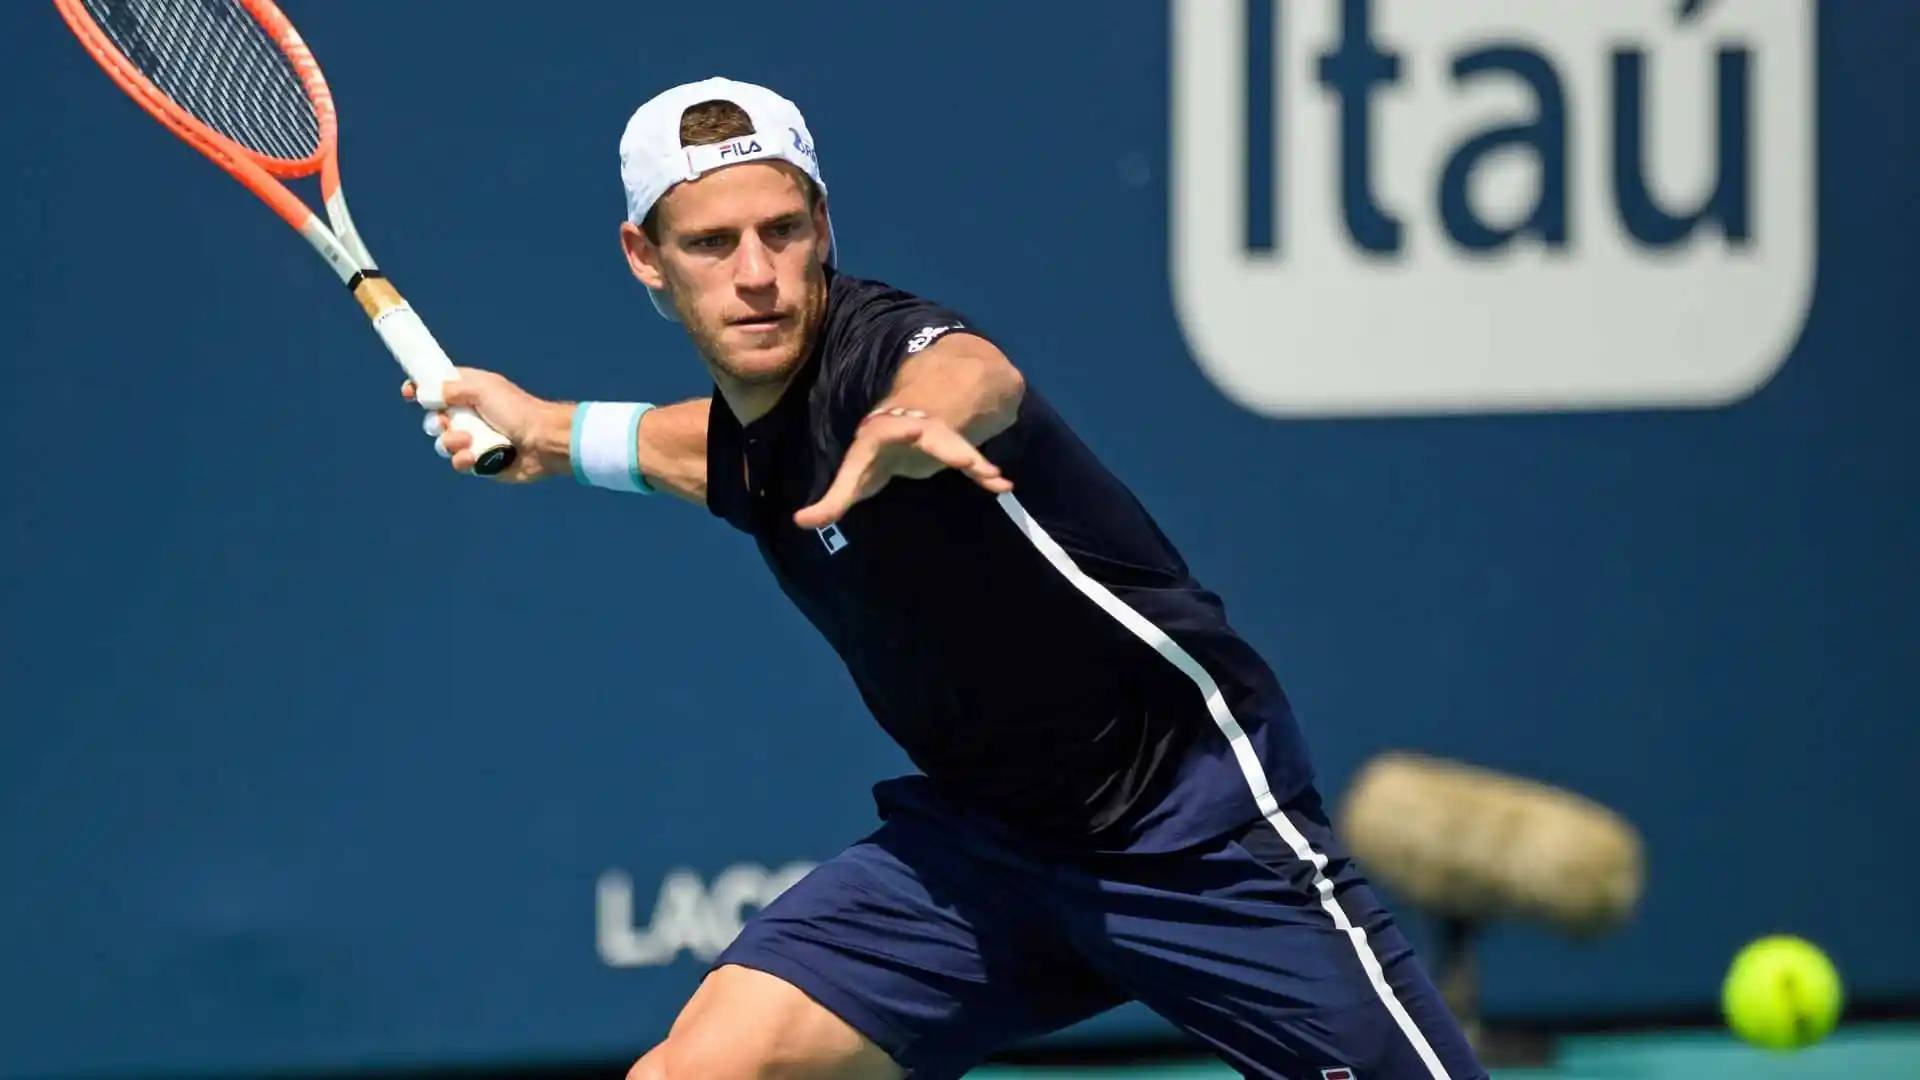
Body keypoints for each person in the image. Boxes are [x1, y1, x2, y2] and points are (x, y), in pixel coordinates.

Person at [408, 76, 1487, 1080]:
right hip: (984, 854)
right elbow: (713, 459)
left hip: (1191, 829)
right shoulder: (757, 439)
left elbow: (975, 375)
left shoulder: (883, 351)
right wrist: (550, 431)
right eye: (712, 243)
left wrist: (916, 419)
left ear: (824, 227)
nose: (755, 274)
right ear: (646, 258)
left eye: (784, 232)